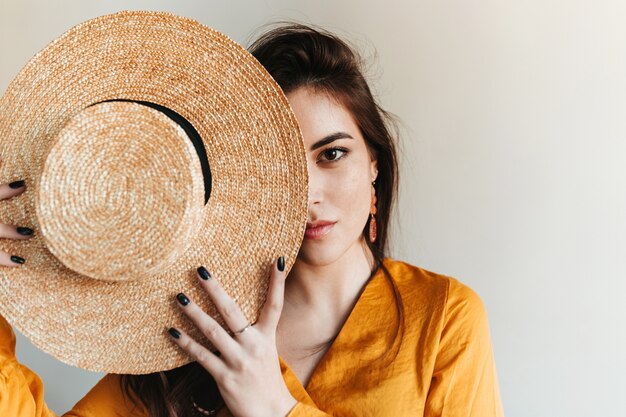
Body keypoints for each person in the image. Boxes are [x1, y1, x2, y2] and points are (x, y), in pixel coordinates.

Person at [0, 24, 504, 417]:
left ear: (374, 161)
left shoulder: (443, 319)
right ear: (249, 179)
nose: (307, 195)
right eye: (280, 166)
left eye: (332, 154)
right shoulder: (194, 320)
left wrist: (276, 408)